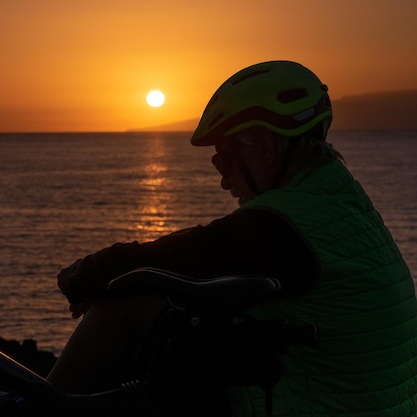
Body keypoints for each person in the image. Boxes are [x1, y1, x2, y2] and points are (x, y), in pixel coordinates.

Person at [45, 61, 417, 416]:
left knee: (126, 305)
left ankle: (31, 412)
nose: (224, 180)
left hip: (324, 406)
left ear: (262, 147)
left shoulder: (283, 225)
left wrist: (82, 276)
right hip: (365, 402)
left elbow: (179, 254)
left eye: (223, 160)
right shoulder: (339, 202)